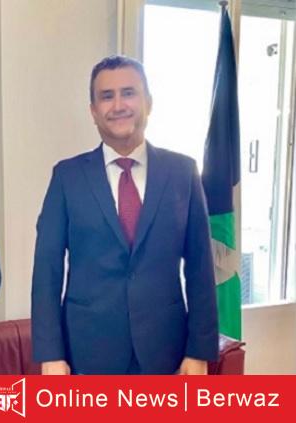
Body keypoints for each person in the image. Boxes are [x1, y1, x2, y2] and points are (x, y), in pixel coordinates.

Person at [31, 55, 218, 375]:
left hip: (167, 354)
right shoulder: (67, 177)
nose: (118, 105)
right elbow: (47, 270)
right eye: (107, 96)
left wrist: (199, 350)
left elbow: (201, 266)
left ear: (148, 102)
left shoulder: (182, 172)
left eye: (128, 93)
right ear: (93, 111)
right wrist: (50, 354)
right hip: (87, 354)